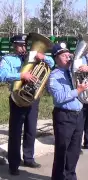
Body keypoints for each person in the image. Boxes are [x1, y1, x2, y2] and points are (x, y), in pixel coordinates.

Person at [0, 34, 54, 175]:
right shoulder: (8, 59)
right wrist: (20, 76)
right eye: (20, 45)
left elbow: (52, 64)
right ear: (14, 45)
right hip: (17, 97)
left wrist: (44, 58)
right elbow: (1, 74)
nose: (23, 48)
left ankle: (29, 158)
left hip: (33, 98)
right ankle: (14, 164)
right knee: (15, 132)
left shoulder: (33, 56)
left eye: (25, 45)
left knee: (31, 129)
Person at [47, 42, 88, 180]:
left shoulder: (75, 72)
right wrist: (78, 90)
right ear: (56, 58)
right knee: (62, 151)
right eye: (64, 55)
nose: (68, 57)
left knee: (74, 151)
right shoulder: (55, 75)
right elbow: (59, 98)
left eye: (68, 54)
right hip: (64, 117)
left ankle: (71, 176)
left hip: (78, 116)